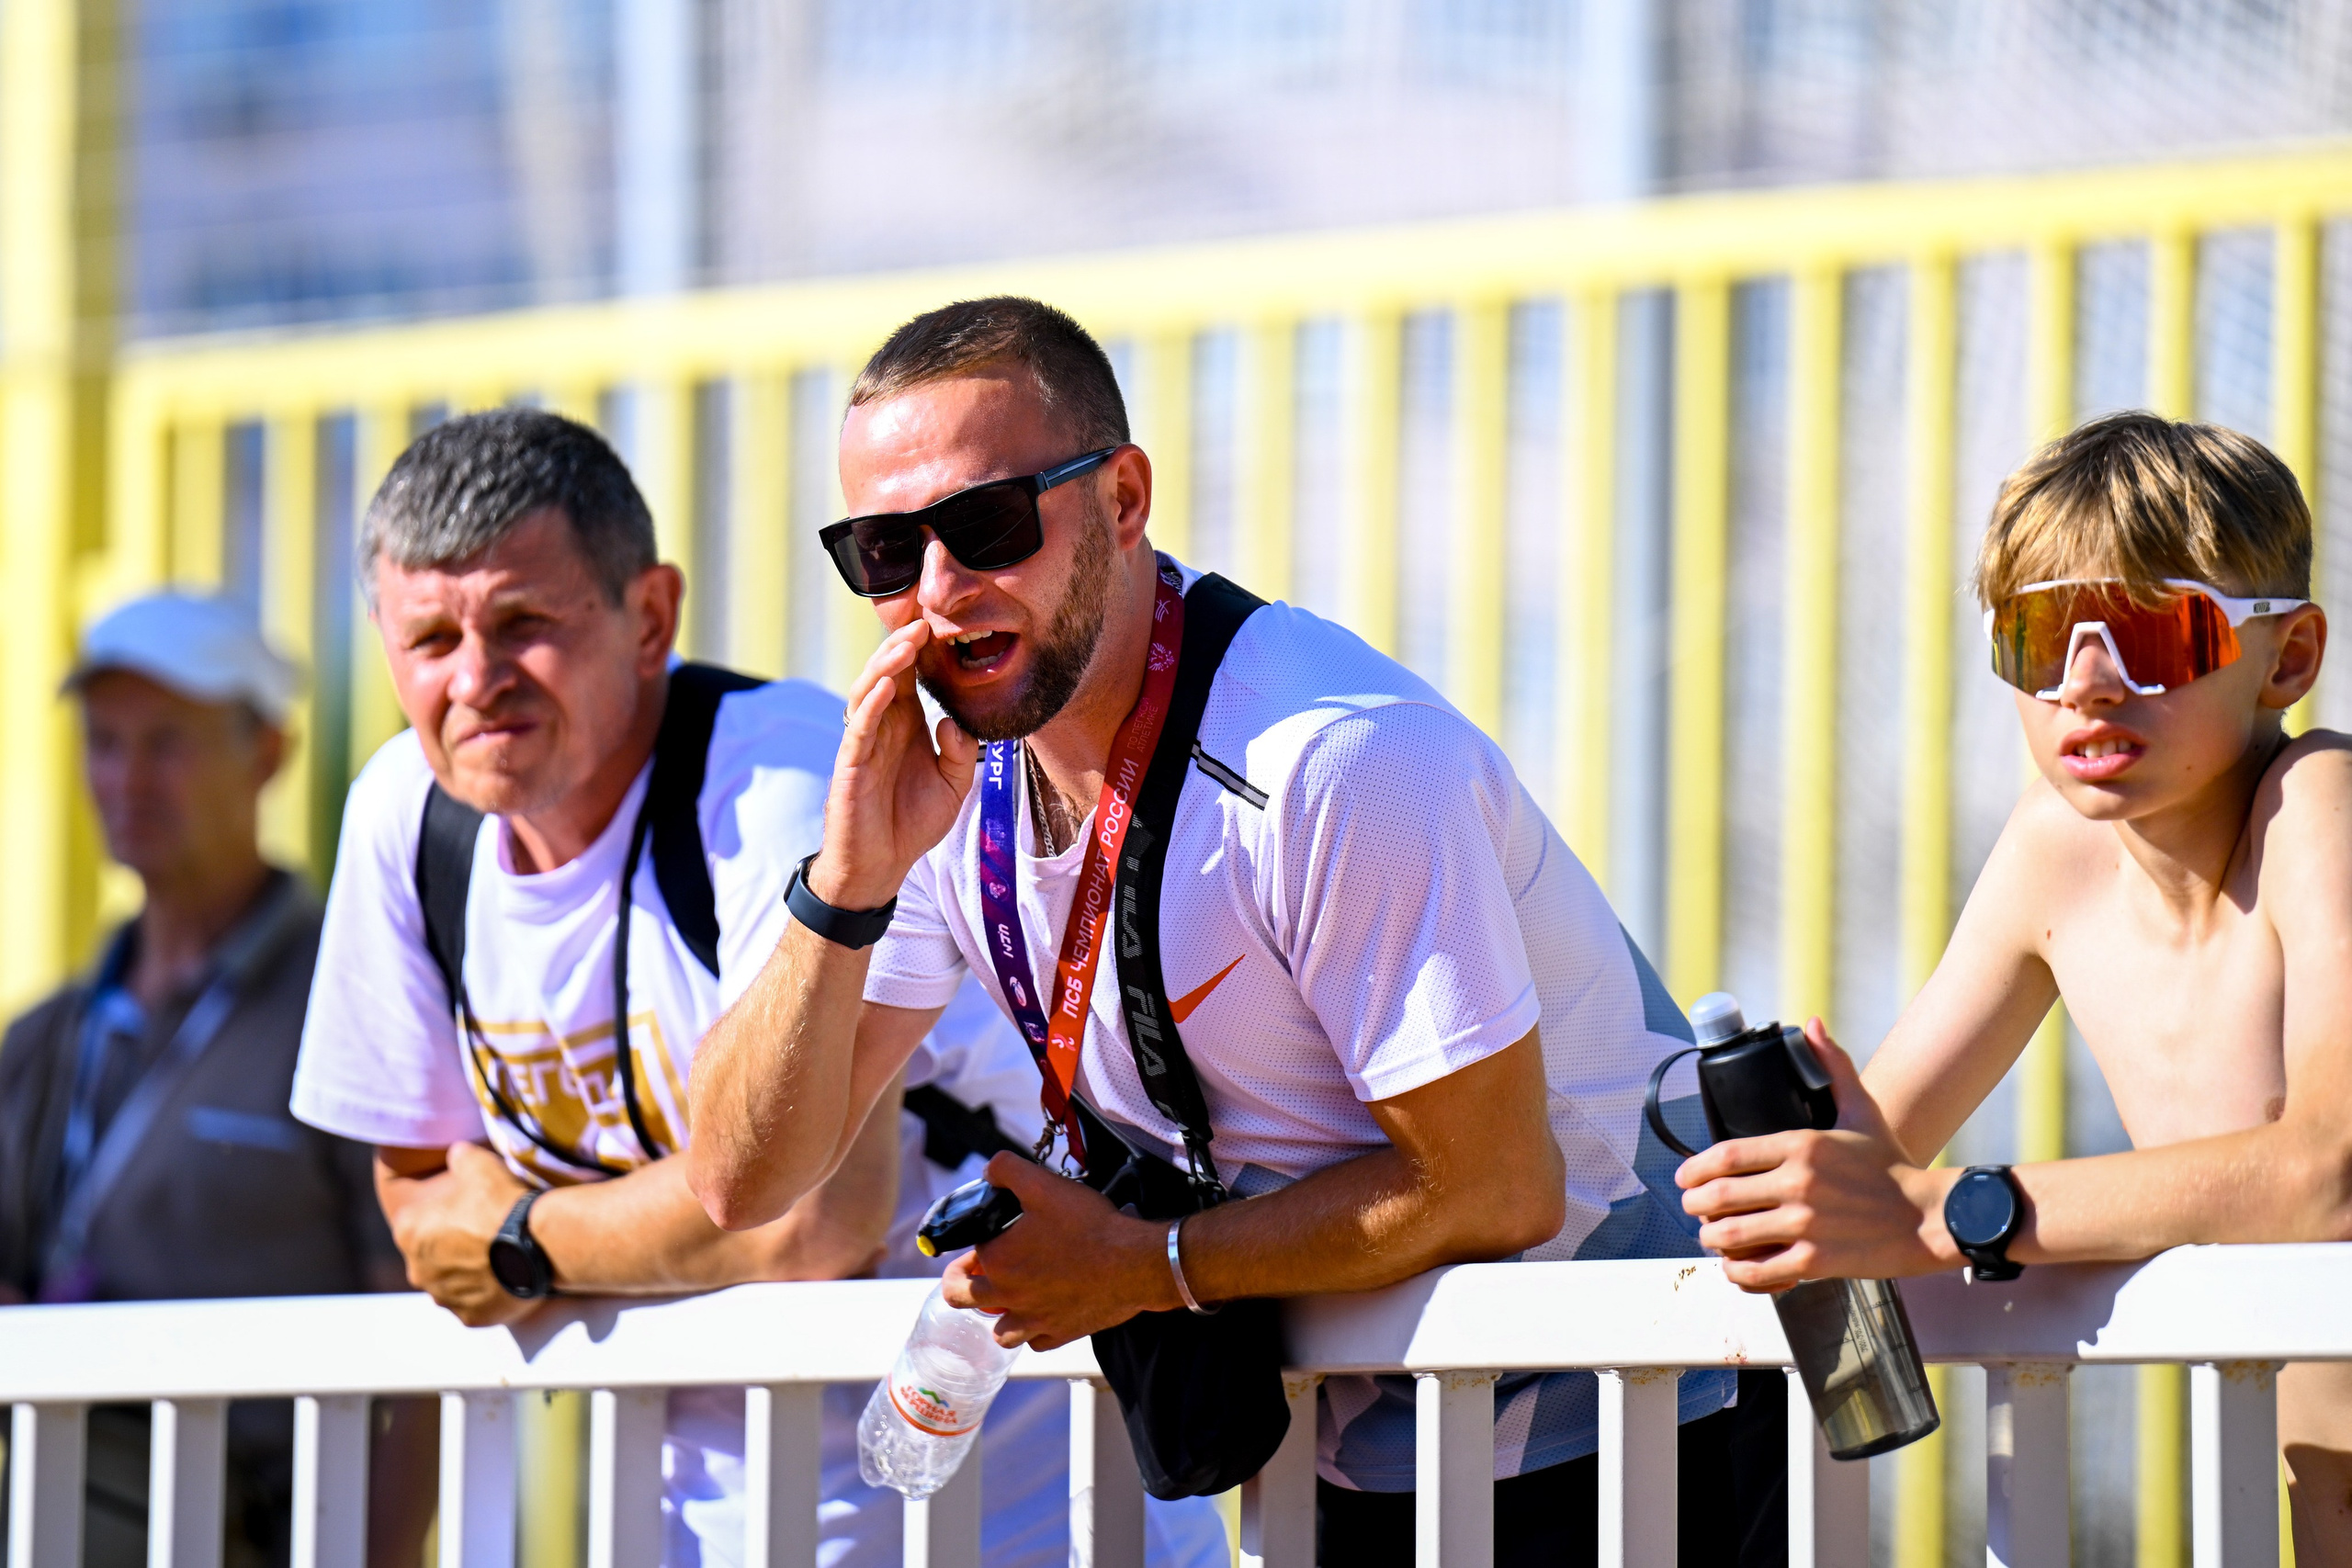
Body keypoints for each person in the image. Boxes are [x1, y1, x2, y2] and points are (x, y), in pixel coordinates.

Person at [683, 296, 1786, 1568]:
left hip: (1639, 1416)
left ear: (1124, 497)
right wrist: (848, 880)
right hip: (1349, 1445)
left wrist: (1145, 1261)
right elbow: (742, 1179)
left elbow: (1495, 1182)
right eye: (883, 549)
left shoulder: (1325, 757)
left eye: (985, 524)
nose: (937, 592)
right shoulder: (952, 788)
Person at [288, 409, 1226, 1568]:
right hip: (698, 1522)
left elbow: (809, 1220)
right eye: (429, 640)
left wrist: (529, 1244)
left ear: (650, 617)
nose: (476, 681)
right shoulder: (406, 817)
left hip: (1021, 1524)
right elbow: (423, 1206)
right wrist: (570, 1232)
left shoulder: (776, 778)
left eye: (524, 625)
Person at [1671, 411, 2352, 1560]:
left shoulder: (2317, 800)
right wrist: (1810, 1180)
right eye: (2041, 638)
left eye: (2153, 630)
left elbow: (2326, 1176)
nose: (2087, 683)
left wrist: (1945, 1212)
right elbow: (1866, 1180)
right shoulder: (2058, 851)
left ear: (2283, 659)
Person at [0, 592, 433, 1568]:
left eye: (168, 743)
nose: (128, 778)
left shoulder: (355, 998)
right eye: (104, 743)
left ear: (269, 754)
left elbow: (423, 1348)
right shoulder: (45, 1040)